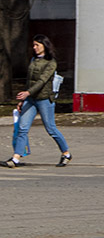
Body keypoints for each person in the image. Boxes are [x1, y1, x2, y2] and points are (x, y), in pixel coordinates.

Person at [7, 35, 71, 168]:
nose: (34, 48)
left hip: (44, 99)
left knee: (51, 129)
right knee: (23, 129)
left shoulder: (51, 62)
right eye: (34, 45)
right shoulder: (33, 60)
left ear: (44, 45)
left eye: (37, 45)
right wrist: (23, 99)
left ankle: (66, 153)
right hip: (30, 99)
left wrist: (27, 93)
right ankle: (16, 158)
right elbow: (29, 81)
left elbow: (42, 81)